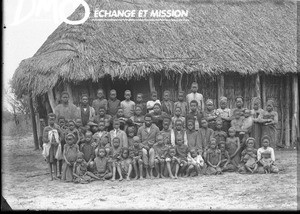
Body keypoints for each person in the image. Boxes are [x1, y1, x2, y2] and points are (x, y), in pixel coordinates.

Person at [137, 113, 160, 179]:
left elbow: (158, 140)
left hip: (152, 147)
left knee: (152, 151)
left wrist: (153, 145)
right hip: (143, 147)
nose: (148, 122)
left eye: (149, 120)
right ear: (144, 121)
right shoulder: (140, 129)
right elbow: (138, 141)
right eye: (146, 120)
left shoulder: (156, 128)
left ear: (152, 120)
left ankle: (151, 172)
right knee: (144, 151)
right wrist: (144, 146)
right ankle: (147, 172)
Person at [42, 113, 63, 181]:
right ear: (48, 120)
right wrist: (48, 141)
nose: (51, 121)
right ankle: (50, 175)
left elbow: (61, 135)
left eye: (53, 119)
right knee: (49, 161)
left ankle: (55, 175)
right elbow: (44, 138)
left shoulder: (57, 127)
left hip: (55, 146)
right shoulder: (46, 129)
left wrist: (58, 141)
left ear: (55, 120)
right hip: (49, 147)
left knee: (55, 160)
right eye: (50, 119)